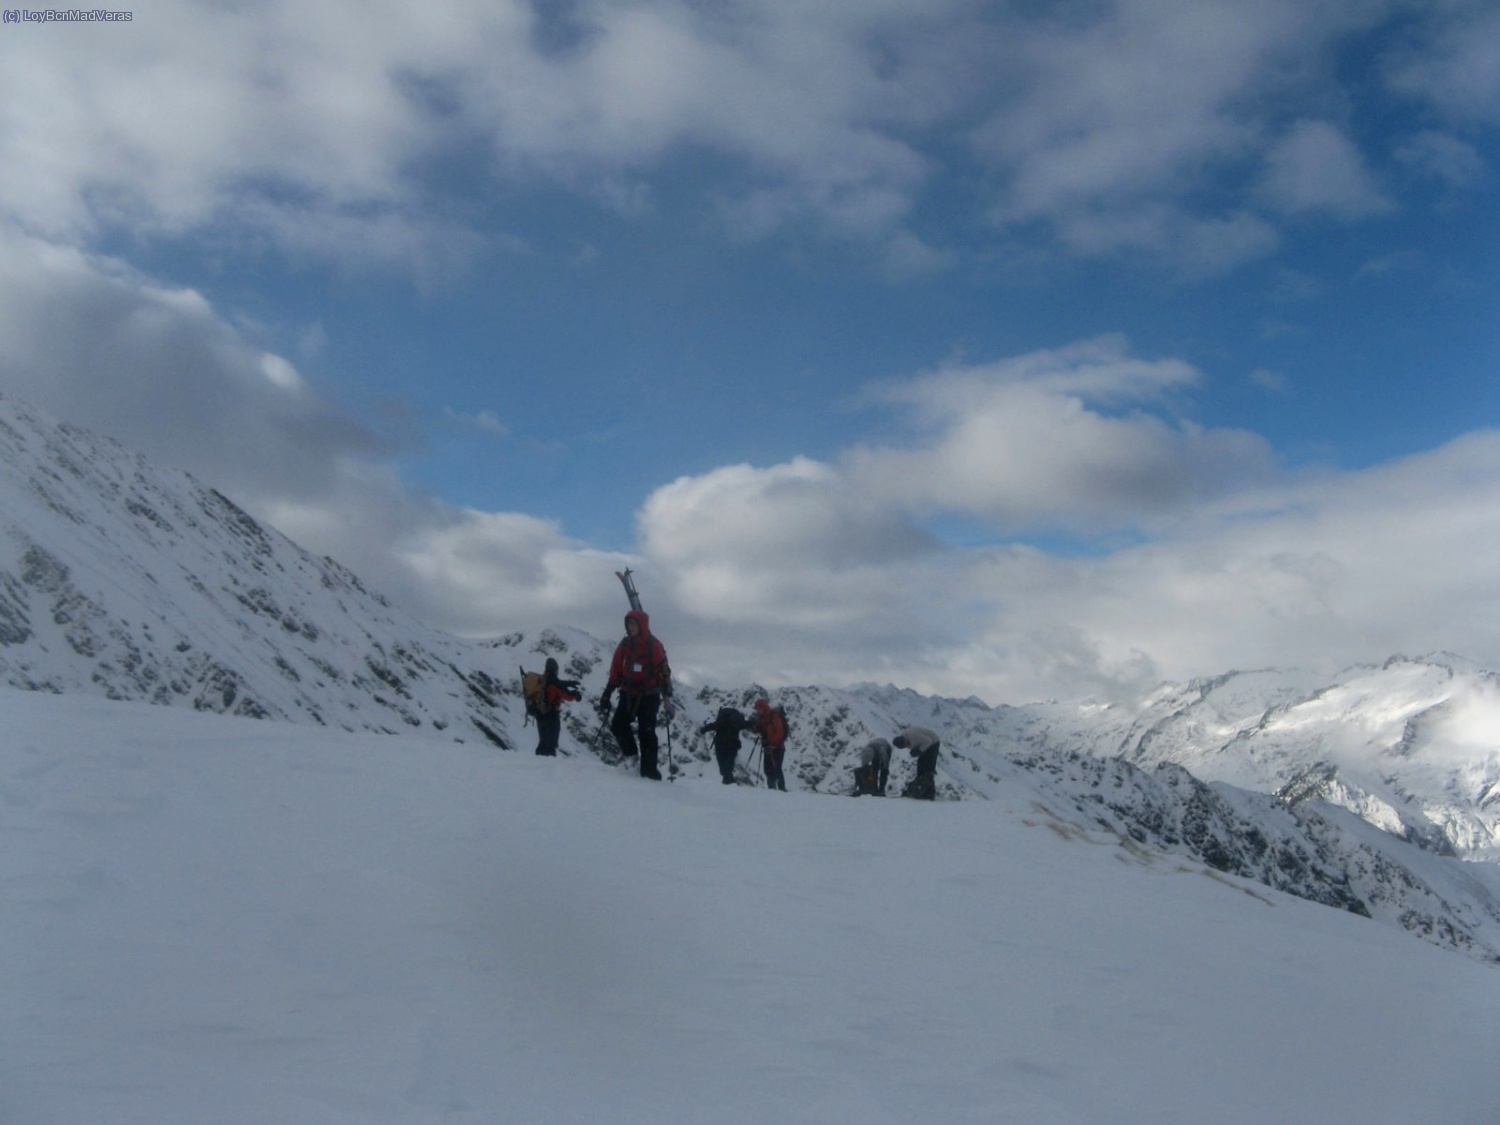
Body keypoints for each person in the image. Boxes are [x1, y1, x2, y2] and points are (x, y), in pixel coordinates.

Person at [599, 610, 673, 780]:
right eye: (628, 624)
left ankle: (649, 772)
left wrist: (666, 695)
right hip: (628, 692)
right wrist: (608, 692)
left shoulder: (654, 645)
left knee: (646, 732)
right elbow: (616, 668)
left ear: (642, 625)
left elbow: (663, 670)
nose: (630, 627)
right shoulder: (625, 644)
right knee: (618, 725)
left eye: (633, 624)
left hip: (649, 695)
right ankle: (631, 757)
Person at [534, 657, 581, 757]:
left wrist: (569, 683)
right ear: (555, 669)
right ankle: (549, 767)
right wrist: (576, 695)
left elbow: (559, 683)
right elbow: (566, 695)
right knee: (551, 745)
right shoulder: (553, 682)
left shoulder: (543, 679)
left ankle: (537, 764)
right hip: (551, 717)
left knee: (542, 742)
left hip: (540, 715)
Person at [701, 706, 753, 785]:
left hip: (720, 745)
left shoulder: (721, 722)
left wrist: (703, 730)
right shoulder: (738, 722)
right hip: (732, 746)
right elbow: (748, 724)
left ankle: (728, 783)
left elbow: (712, 726)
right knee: (728, 768)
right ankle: (729, 784)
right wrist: (759, 723)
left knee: (724, 769)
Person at [751, 697, 789, 792]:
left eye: (758, 709)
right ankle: (772, 788)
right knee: (768, 769)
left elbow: (779, 732)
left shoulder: (774, 716)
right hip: (769, 747)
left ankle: (781, 789)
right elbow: (758, 728)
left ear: (762, 708)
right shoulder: (763, 718)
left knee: (776, 768)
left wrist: (771, 741)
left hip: (777, 747)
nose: (757, 711)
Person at [893, 726, 940, 800]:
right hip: (924, 745)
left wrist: (919, 750)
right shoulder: (905, 740)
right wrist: (917, 751)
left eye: (906, 744)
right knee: (920, 768)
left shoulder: (914, 736)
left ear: (904, 739)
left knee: (929, 769)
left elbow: (929, 741)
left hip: (933, 742)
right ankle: (923, 790)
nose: (907, 745)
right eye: (905, 746)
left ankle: (930, 793)